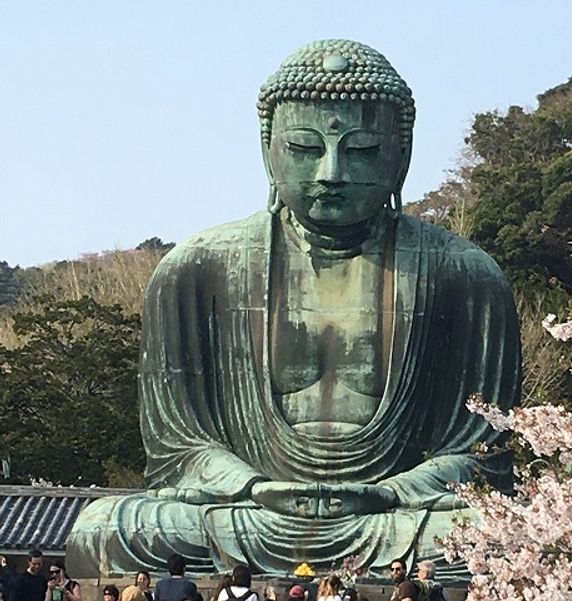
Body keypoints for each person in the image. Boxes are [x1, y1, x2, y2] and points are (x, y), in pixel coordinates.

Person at [67, 38, 520, 579]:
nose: (331, 172)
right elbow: (178, 448)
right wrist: (254, 486)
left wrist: (387, 491)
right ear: (268, 151)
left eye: (362, 151)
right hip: (247, 509)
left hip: (394, 515)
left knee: (487, 532)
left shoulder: (464, 274)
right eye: (305, 149)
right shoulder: (197, 268)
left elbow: (483, 453)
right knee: (110, 528)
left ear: (402, 156)